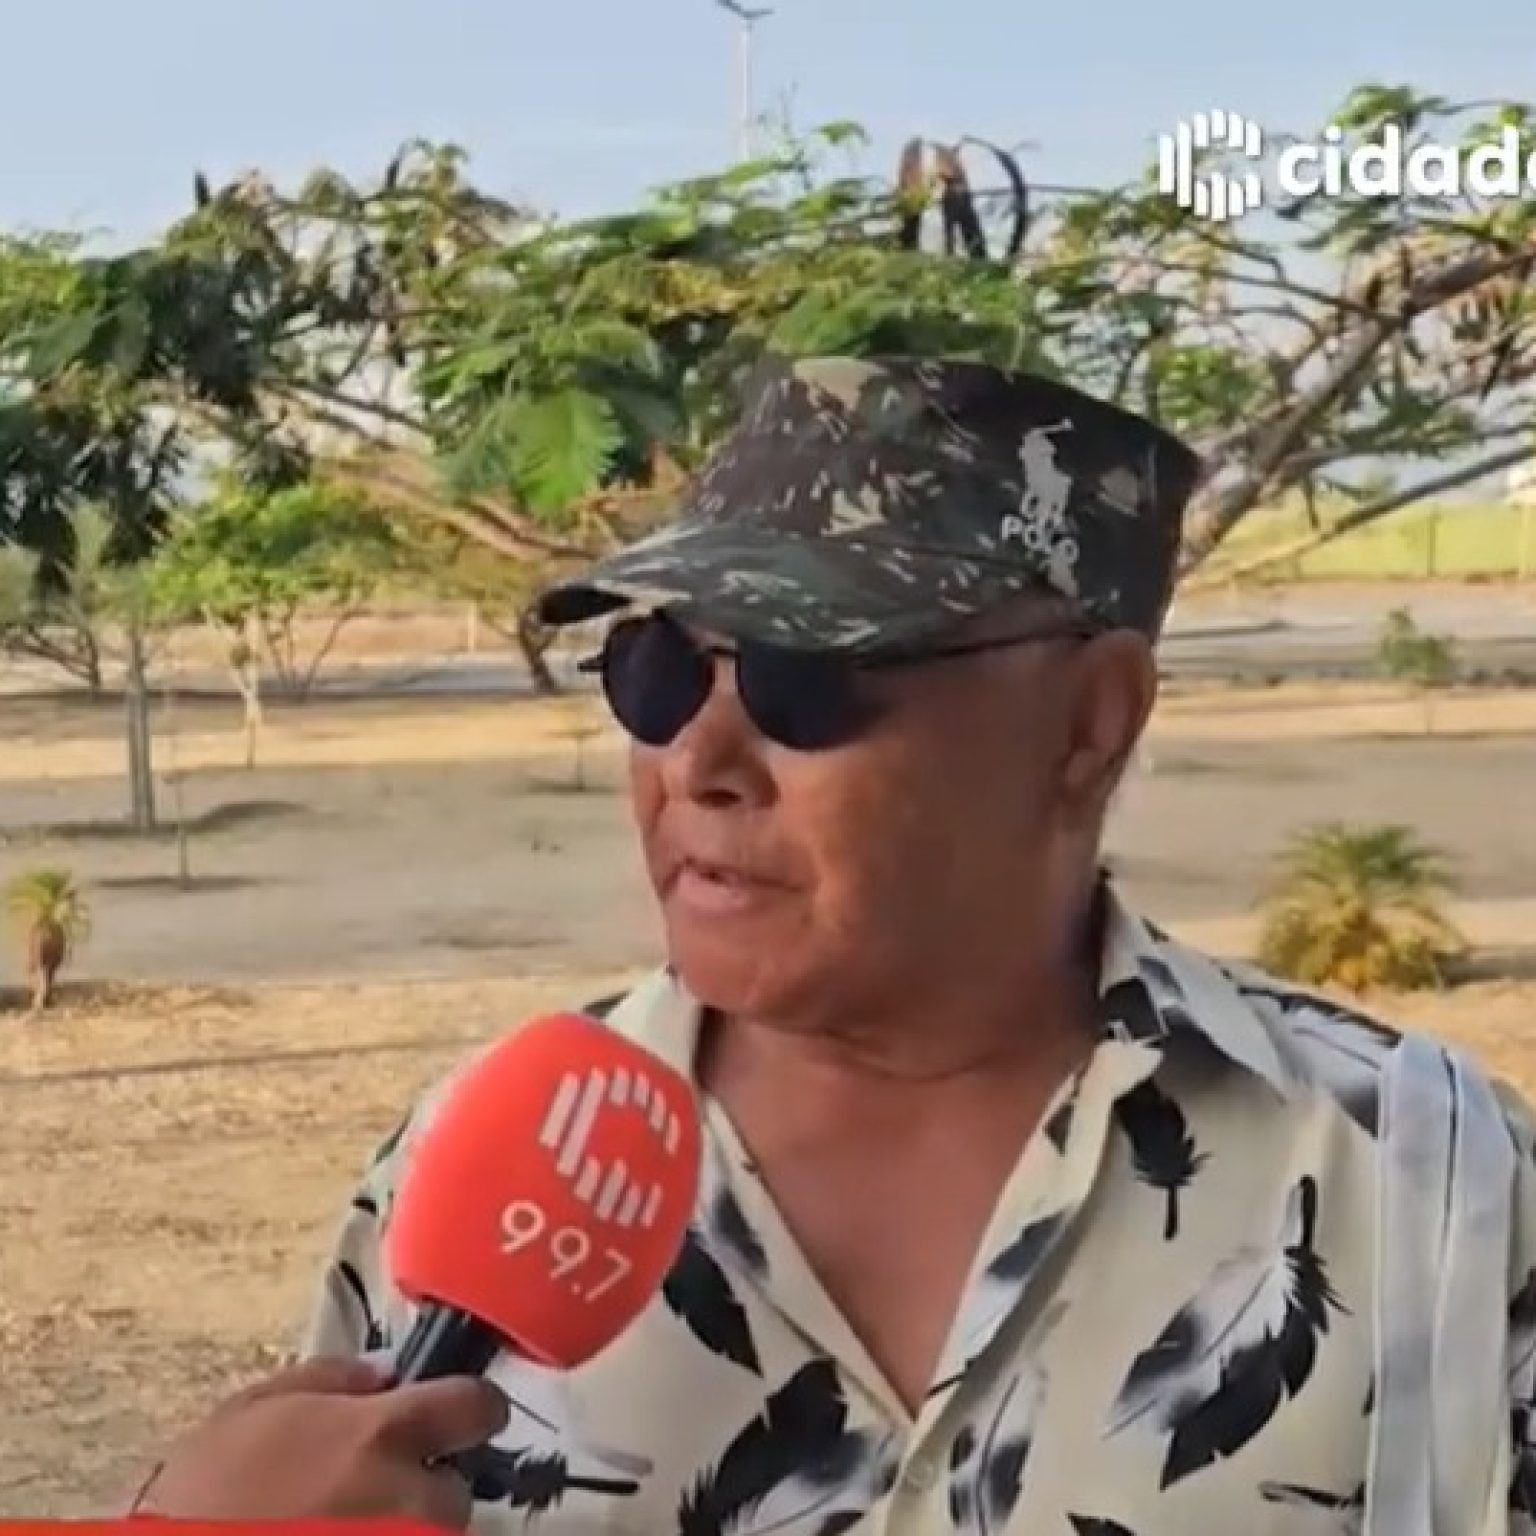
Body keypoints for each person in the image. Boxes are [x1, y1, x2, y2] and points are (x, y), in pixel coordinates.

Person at [135, 355, 1536, 1535]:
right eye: (656, 670)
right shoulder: (478, 1166)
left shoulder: (1426, 1185)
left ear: (1089, 722)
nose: (698, 759)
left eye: (805, 677)